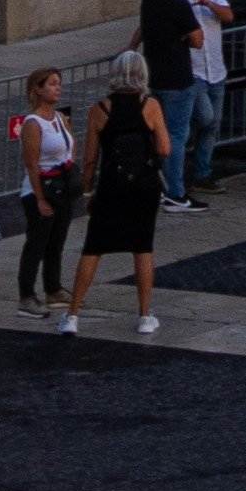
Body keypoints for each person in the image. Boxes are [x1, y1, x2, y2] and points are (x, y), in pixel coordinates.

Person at [62, 59, 166, 334]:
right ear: (143, 73)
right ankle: (144, 316)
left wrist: (87, 189)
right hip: (144, 186)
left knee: (93, 247)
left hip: (111, 185)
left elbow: (90, 159)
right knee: (142, 247)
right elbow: (165, 147)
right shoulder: (150, 106)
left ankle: (73, 315)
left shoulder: (100, 110)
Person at [9, 66, 80, 317]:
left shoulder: (61, 118)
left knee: (56, 241)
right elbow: (31, 163)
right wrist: (39, 198)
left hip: (61, 188)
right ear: (37, 90)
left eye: (58, 83)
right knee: (37, 243)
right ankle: (26, 295)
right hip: (40, 189)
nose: (57, 87)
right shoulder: (33, 123)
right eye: (51, 83)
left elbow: (71, 148)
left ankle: (53, 287)